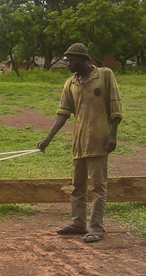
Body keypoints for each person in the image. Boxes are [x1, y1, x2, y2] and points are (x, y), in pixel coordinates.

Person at [37, 42, 123, 243]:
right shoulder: (70, 83)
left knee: (98, 187)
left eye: (71, 60)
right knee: (78, 185)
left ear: (84, 60)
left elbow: (116, 108)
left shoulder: (105, 75)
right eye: (66, 61)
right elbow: (63, 114)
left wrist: (113, 135)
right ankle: (78, 223)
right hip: (79, 143)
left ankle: (96, 227)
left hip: (100, 141)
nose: (67, 64)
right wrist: (47, 138)